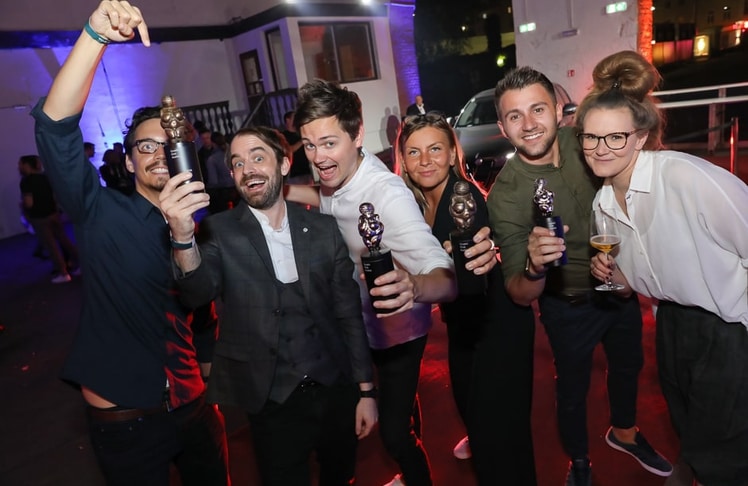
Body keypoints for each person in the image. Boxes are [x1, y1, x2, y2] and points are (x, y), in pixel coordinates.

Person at [31, 3, 229, 485]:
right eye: (145, 146)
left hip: (194, 408)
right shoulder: (99, 211)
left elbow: (202, 307)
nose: (159, 154)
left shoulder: (205, 225)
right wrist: (95, 35)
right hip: (126, 421)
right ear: (129, 160)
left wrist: (207, 384)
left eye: (170, 145)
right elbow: (54, 128)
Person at [289, 79, 497, 486]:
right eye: (309, 146)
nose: (319, 157)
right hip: (362, 325)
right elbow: (328, 197)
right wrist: (283, 191)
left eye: (329, 143)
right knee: (397, 410)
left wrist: (414, 287)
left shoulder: (387, 195)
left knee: (393, 433)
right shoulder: (338, 174)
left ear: (357, 136)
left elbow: (445, 275)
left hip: (399, 331)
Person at [159, 125, 377, 486]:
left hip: (336, 389)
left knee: (341, 476)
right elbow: (196, 293)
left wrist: (366, 391)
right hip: (271, 402)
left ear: (284, 164)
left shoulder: (323, 229)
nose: (248, 170)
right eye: (238, 163)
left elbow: (349, 316)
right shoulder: (219, 232)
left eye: (258, 157)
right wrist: (182, 239)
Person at [486, 66, 673, 486]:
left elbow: (637, 157)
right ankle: (580, 460)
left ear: (558, 109)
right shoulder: (505, 196)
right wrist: (534, 266)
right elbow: (518, 293)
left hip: (620, 286)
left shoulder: (587, 141)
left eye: (538, 109)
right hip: (567, 306)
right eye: (515, 115)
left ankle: (625, 433)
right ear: (502, 126)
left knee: (629, 365)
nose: (529, 124)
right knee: (572, 389)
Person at [577, 50, 748, 486]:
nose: (600, 148)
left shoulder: (685, 177)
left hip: (728, 328)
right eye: (590, 137)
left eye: (615, 137)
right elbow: (633, 287)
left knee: (727, 457)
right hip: (671, 328)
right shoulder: (602, 206)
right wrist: (613, 279)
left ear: (640, 137)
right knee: (690, 431)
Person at [395, 112, 537, 484]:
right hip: (463, 328)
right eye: (414, 152)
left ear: (451, 154)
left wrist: (479, 253)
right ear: (403, 161)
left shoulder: (464, 198)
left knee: (501, 437)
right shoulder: (414, 206)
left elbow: (477, 244)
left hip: (498, 326)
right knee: (478, 423)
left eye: (435, 149)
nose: (425, 160)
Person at [18, 154, 80, 283]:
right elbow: (54, 197)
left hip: (39, 217)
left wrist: (22, 205)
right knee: (65, 241)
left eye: (21, 164)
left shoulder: (26, 182)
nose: (19, 166)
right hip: (53, 214)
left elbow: (29, 203)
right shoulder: (46, 177)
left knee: (51, 246)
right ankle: (80, 264)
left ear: (26, 165)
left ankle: (63, 273)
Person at [203, 131, 237, 214]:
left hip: (223, 194)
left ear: (213, 143)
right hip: (237, 190)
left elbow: (213, 181)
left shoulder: (212, 159)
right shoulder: (233, 154)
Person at [281, 110, 314, 185]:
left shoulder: (300, 133)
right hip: (294, 175)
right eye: (294, 117)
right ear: (288, 120)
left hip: (307, 172)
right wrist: (302, 141)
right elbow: (289, 150)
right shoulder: (284, 136)